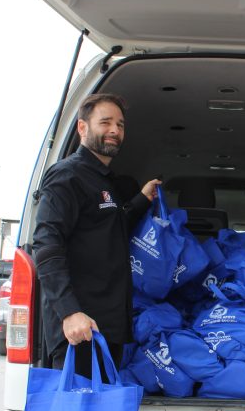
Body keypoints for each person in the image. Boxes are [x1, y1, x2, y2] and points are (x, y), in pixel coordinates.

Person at [32, 93, 161, 377]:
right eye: (105, 122)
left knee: (101, 405)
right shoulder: (67, 176)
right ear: (82, 127)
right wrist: (69, 312)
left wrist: (141, 200)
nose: (115, 130)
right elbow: (47, 246)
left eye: (120, 125)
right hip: (79, 329)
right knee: (80, 406)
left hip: (105, 329)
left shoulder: (104, 181)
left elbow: (111, 229)